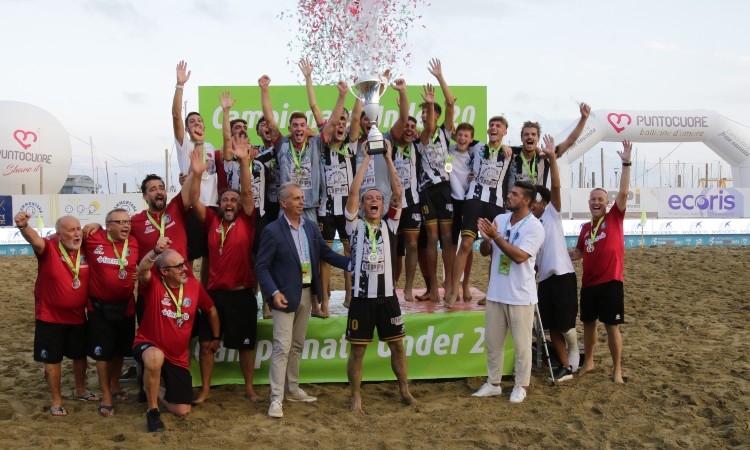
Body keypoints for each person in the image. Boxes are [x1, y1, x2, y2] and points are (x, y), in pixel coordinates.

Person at [255, 182, 350, 418]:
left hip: (307, 293)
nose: (301, 202)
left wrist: (351, 264)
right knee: (281, 347)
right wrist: (273, 293)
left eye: (302, 198)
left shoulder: (309, 227)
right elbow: (262, 266)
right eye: (296, 198)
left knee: (296, 345)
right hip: (284, 296)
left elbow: (325, 254)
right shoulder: (272, 231)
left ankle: (292, 389)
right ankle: (276, 398)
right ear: (283, 202)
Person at [186, 142, 263, 404]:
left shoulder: (247, 219)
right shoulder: (211, 220)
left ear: (240, 205)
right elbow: (194, 200)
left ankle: (249, 388)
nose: (229, 203)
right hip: (214, 297)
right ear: (219, 204)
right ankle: (206, 389)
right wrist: (196, 174)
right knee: (208, 345)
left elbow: (247, 190)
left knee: (245, 345)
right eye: (225, 200)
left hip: (241, 295)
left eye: (233, 200)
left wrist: (244, 162)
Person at [344, 141, 415, 412]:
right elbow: (352, 192)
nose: (374, 201)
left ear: (384, 207)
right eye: (369, 199)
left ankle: (405, 390)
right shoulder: (355, 225)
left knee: (397, 347)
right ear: (362, 206)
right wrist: (364, 160)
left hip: (388, 298)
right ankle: (356, 397)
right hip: (362, 299)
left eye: (377, 199)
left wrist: (386, 157)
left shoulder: (390, 222)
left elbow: (398, 191)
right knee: (358, 351)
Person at [14, 213, 99, 416]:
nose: (77, 233)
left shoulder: (85, 248)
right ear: (58, 236)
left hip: (78, 315)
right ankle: (56, 399)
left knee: (79, 356)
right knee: (53, 360)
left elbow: (101, 233)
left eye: (78, 228)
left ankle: (80, 389)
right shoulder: (48, 248)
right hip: (50, 317)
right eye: (71, 230)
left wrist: (95, 223)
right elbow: (33, 238)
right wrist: (23, 225)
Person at [133, 242, 220, 432]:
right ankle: (152, 411)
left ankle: (152, 389)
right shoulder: (154, 284)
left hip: (178, 357)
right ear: (164, 271)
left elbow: (211, 309)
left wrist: (216, 336)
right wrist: (156, 251)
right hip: (149, 345)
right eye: (179, 266)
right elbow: (143, 269)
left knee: (182, 410)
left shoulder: (194, 286)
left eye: (184, 264)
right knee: (155, 357)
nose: (185, 269)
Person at [474, 181, 544, 403]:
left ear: (526, 201)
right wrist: (486, 240)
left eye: (514, 194)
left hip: (521, 295)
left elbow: (520, 256)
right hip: (496, 292)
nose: (509, 195)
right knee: (493, 343)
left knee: (522, 345)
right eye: (510, 192)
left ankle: (521, 385)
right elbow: (486, 252)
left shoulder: (535, 226)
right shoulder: (501, 220)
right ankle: (493, 383)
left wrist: (495, 237)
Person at [569, 140, 633, 384]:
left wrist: (626, 162)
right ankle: (589, 362)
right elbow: (577, 253)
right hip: (589, 284)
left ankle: (616, 370)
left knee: (612, 326)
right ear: (588, 203)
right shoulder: (586, 228)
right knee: (588, 324)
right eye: (592, 199)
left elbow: (624, 192)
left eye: (600, 199)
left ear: (607, 203)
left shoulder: (615, 217)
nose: (596, 202)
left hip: (611, 282)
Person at [444, 119, 512, 307]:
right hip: (474, 200)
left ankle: (491, 293)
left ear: (505, 131)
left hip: (496, 205)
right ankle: (452, 290)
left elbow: (534, 152)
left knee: (496, 250)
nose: (494, 128)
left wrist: (506, 145)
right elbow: (458, 137)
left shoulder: (510, 152)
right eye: (491, 125)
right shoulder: (477, 146)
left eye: (499, 126)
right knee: (465, 244)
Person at [531, 135, 580, 381]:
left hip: (563, 275)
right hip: (545, 280)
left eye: (535, 201)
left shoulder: (552, 214)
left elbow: (556, 188)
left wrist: (552, 157)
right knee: (551, 327)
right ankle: (565, 367)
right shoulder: (530, 224)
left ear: (544, 203)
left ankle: (573, 353)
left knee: (566, 326)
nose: (531, 205)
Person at [83, 208, 140, 416]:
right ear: (109, 225)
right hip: (99, 308)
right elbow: (64, 240)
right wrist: (93, 225)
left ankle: (115, 384)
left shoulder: (133, 242)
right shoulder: (92, 239)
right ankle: (106, 395)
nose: (126, 226)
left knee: (119, 351)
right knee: (103, 354)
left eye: (128, 222)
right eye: (121, 222)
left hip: (126, 306)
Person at [416, 58, 456, 303]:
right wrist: (430, 106)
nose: (424, 116)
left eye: (428, 112)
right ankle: (432, 287)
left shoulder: (445, 132)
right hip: (427, 191)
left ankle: (450, 284)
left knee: (448, 238)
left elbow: (450, 103)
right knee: (431, 239)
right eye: (422, 113)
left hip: (445, 189)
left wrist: (440, 77)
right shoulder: (422, 137)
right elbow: (428, 127)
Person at [172, 60, 217, 266]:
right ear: (187, 129)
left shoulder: (211, 147)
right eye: (192, 122)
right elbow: (175, 116)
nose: (196, 123)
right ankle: (186, 295)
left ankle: (207, 297)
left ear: (205, 125)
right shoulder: (185, 146)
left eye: (199, 121)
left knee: (211, 256)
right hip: (192, 207)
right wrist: (180, 85)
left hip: (213, 206)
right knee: (188, 256)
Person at [504, 103, 591, 196]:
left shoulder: (545, 156)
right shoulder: (511, 153)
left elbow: (570, 141)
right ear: (521, 138)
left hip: (536, 206)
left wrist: (583, 118)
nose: (529, 137)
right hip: (513, 206)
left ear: (538, 138)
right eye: (526, 134)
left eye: (533, 134)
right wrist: (502, 146)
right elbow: (493, 148)